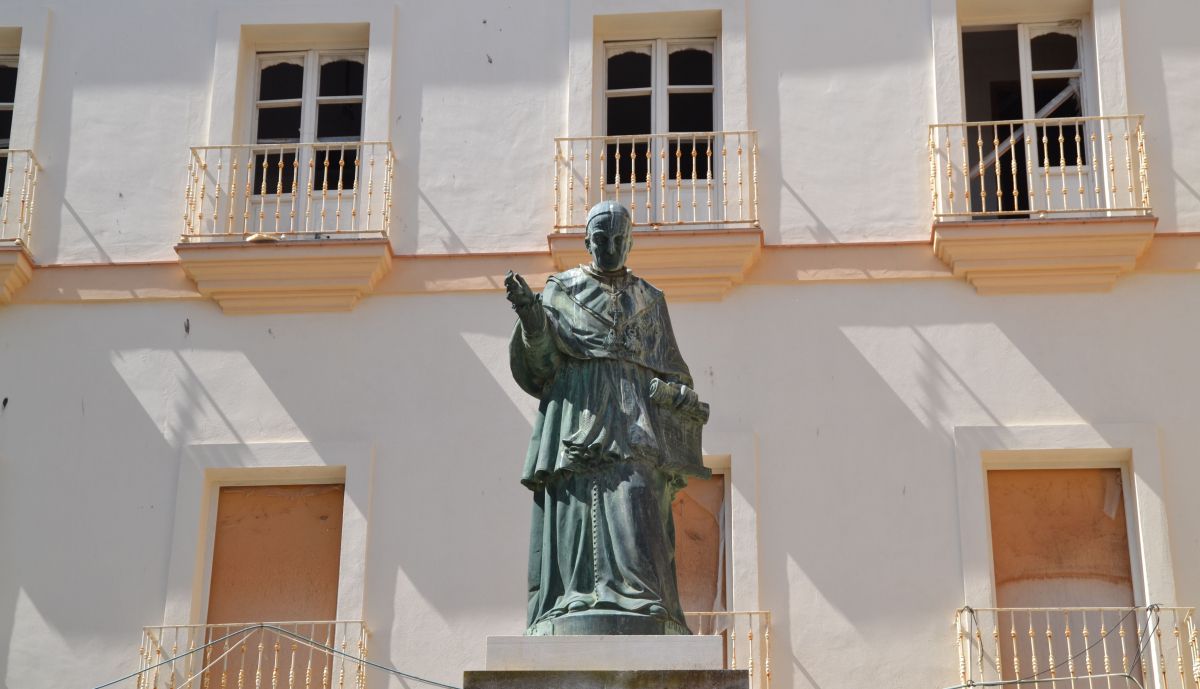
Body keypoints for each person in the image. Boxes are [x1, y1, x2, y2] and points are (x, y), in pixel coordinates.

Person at [505, 201, 710, 636]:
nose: (610, 247)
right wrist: (531, 317)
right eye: (601, 239)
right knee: (576, 510)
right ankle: (572, 599)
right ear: (587, 241)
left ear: (630, 242)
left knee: (638, 499)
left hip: (635, 425)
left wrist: (675, 393)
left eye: (619, 239)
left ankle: (645, 602)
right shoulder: (562, 290)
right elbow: (542, 366)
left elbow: (674, 371)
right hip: (576, 416)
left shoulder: (649, 300)